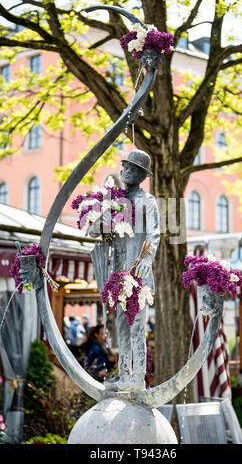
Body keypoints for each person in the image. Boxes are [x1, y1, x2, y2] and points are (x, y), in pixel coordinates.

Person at [88, 149, 160, 391]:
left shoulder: (147, 202)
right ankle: (124, 372)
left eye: (133, 169)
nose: (127, 171)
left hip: (137, 273)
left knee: (137, 325)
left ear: (141, 175)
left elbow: (155, 234)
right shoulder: (114, 203)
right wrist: (100, 212)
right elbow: (94, 233)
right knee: (121, 326)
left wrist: (147, 259)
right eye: (126, 167)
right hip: (118, 274)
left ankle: (137, 376)